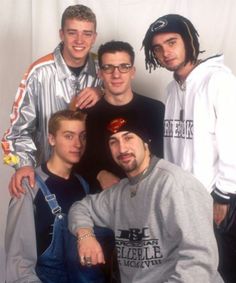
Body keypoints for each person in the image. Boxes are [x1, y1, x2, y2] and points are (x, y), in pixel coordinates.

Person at [68, 114, 223, 283]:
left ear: (146, 142)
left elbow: (200, 264)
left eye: (128, 138)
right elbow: (80, 208)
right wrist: (85, 235)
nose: (122, 149)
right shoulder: (119, 193)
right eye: (114, 142)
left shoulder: (176, 185)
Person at [142, 14, 236, 283]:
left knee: (222, 271)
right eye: (157, 48)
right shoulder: (172, 88)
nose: (165, 52)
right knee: (191, 271)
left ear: (189, 41)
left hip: (218, 200)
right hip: (185, 202)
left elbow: (232, 141)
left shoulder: (219, 81)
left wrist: (224, 196)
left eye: (171, 42)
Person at [1, 4, 102, 197]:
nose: (80, 40)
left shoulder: (103, 70)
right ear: (61, 34)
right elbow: (16, 133)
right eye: (72, 33)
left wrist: (102, 90)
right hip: (48, 183)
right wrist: (23, 165)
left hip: (92, 180)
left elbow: (122, 104)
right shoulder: (39, 73)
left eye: (87, 34)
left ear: (94, 37)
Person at [5, 109, 110, 283]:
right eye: (68, 136)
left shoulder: (83, 185)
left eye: (82, 136)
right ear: (52, 139)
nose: (77, 144)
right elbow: (19, 262)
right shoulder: (29, 186)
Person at [75, 40, 164, 192]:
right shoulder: (87, 114)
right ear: (100, 73)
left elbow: (164, 157)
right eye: (108, 67)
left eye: (124, 67)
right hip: (102, 200)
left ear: (133, 72)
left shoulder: (155, 110)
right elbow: (76, 158)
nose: (116, 74)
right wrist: (100, 174)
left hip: (147, 195)